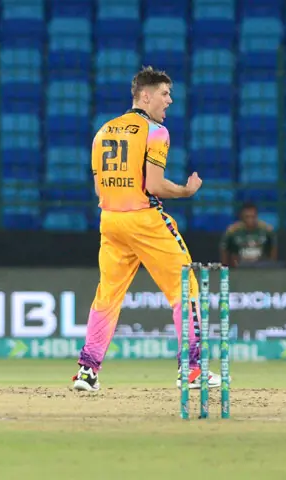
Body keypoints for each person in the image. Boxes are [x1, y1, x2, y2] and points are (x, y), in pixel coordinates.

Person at [72, 66, 221, 392]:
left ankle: (87, 371)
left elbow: (100, 190)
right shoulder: (155, 132)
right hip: (144, 219)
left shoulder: (103, 131)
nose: (170, 101)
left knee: (107, 296)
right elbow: (153, 184)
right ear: (146, 95)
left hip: (110, 220)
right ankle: (193, 369)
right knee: (186, 290)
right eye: (165, 94)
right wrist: (185, 191)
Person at [219, 202, 277, 267]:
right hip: (239, 266)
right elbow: (224, 249)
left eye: (253, 216)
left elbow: (273, 248)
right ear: (241, 217)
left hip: (261, 266)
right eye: (247, 217)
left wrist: (272, 266)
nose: (250, 219)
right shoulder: (232, 231)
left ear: (256, 216)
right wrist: (226, 267)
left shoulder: (267, 230)